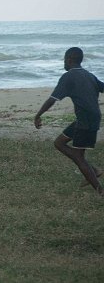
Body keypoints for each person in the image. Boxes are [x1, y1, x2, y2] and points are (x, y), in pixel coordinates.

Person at [34, 47, 104, 195]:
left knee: (79, 157)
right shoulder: (89, 75)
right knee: (59, 143)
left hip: (85, 119)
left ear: (69, 59)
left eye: (64, 59)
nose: (63, 62)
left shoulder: (68, 77)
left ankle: (99, 190)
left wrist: (38, 115)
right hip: (89, 117)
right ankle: (93, 170)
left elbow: (52, 99)